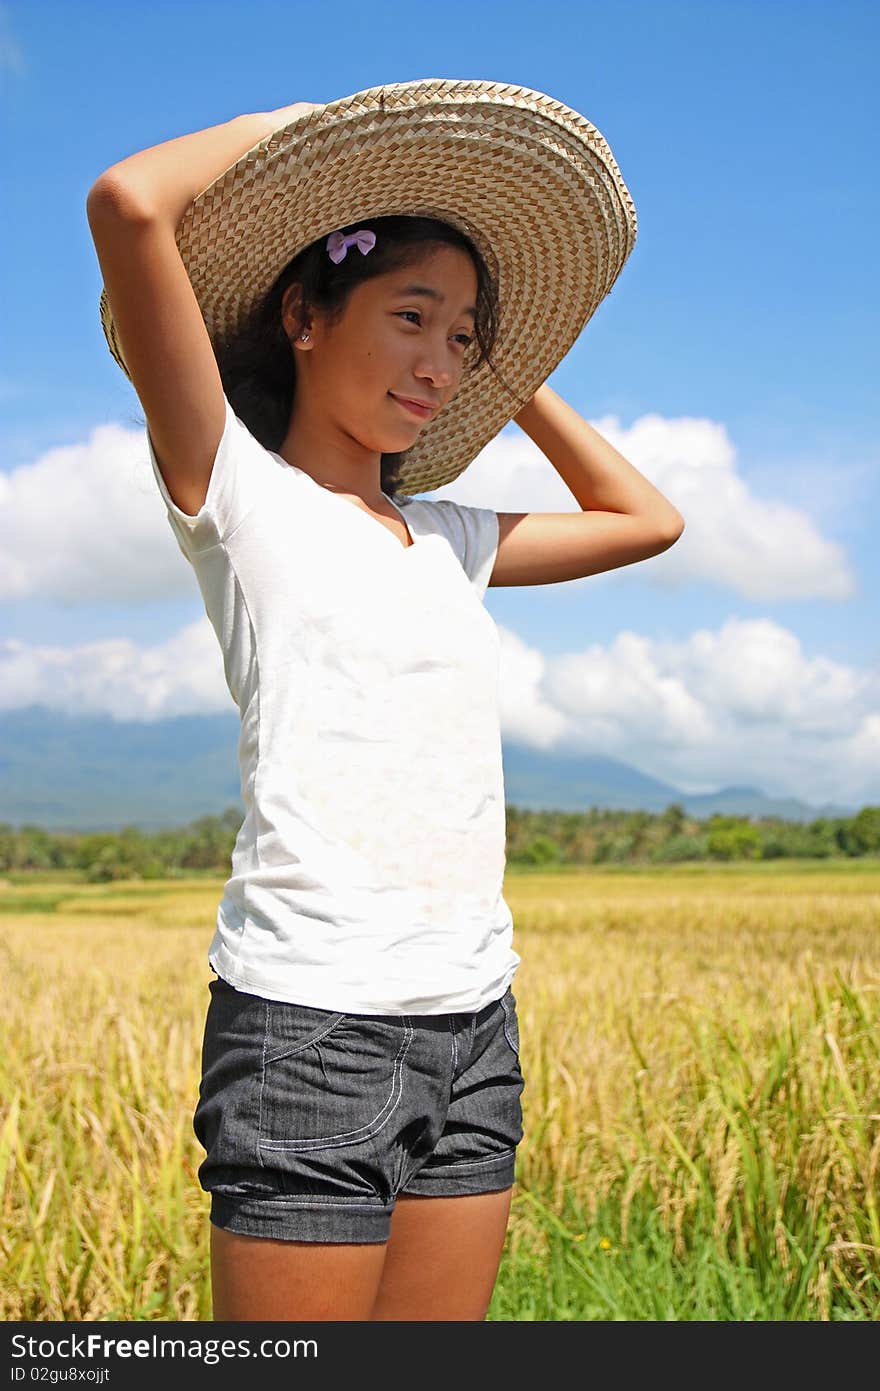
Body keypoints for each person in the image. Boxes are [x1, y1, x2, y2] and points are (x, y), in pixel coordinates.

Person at [86, 80, 682, 1321]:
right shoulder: (238, 496)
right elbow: (130, 205)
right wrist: (294, 137)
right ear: (303, 312)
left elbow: (648, 521)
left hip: (474, 1022)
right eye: (412, 315)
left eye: (462, 338)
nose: (438, 362)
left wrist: (511, 374)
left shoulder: (450, 535)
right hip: (311, 1025)